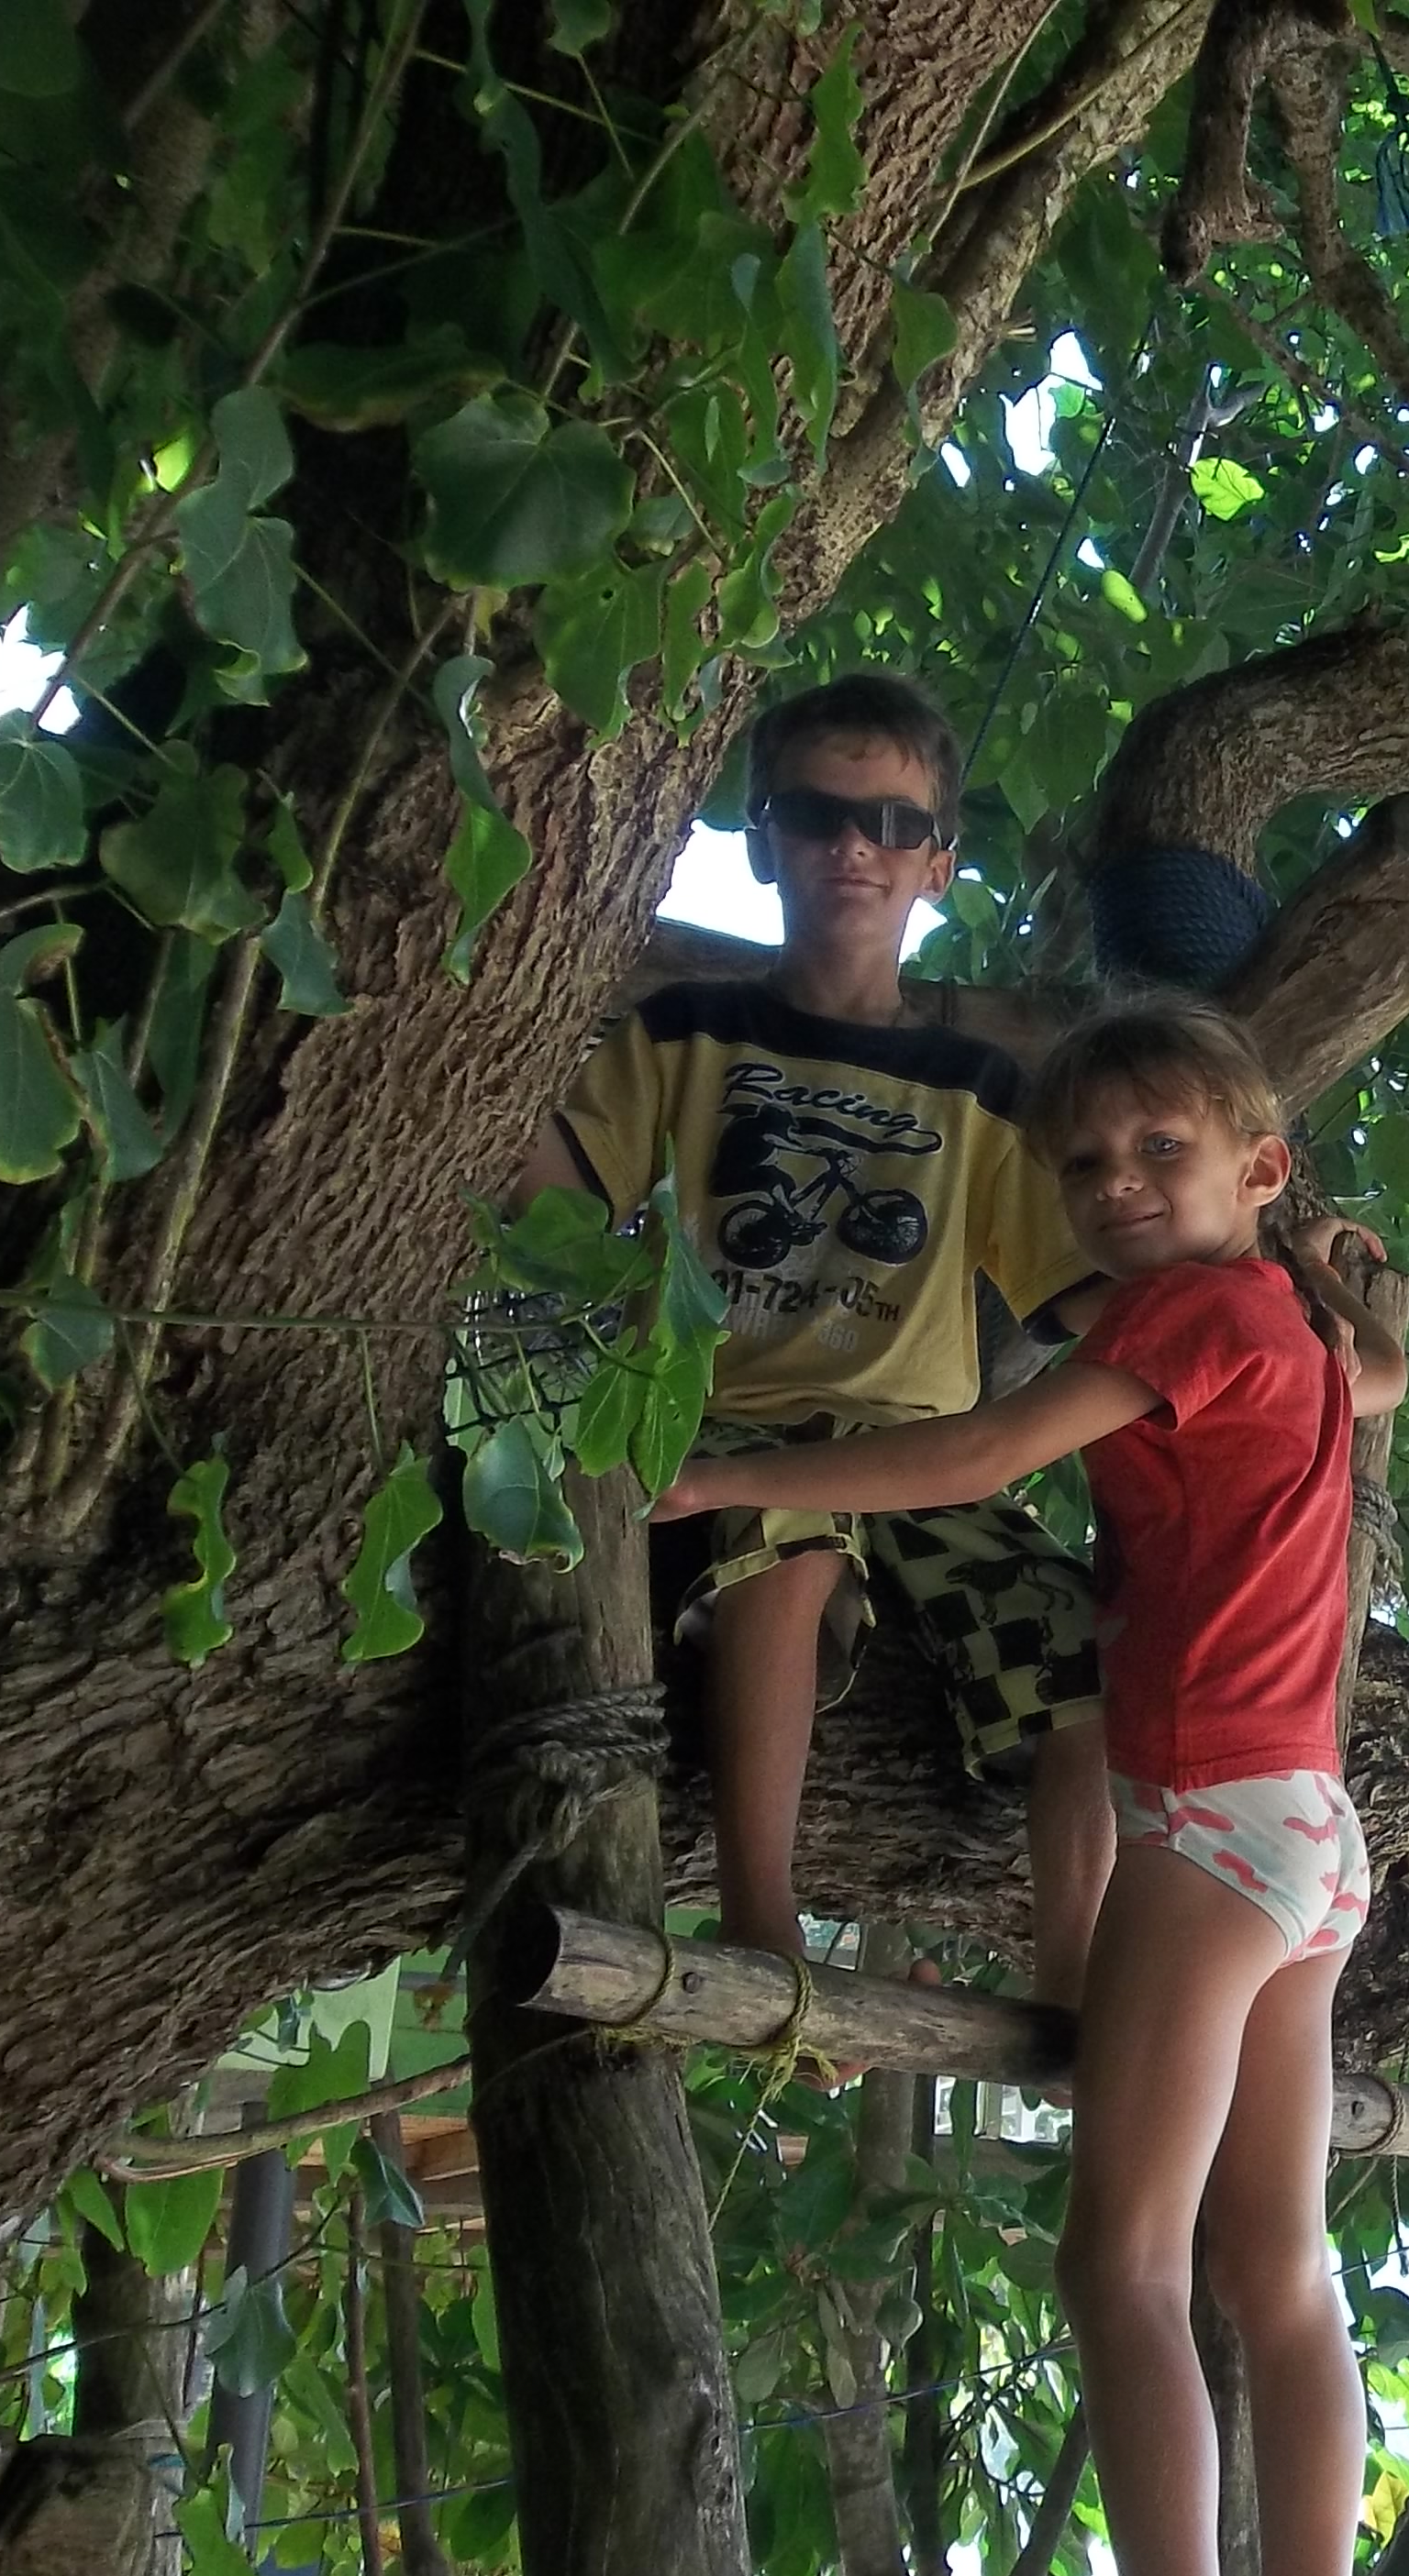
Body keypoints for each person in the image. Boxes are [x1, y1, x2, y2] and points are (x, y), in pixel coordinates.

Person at [658, 997, 1406, 2576]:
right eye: (1083, 1165)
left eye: (1161, 1150)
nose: (1115, 1184)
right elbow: (1375, 1379)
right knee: (1277, 2272)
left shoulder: (1183, 1317)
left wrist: (726, 1475)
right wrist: (1356, 1295)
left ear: (1259, 1164)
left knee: (1121, 2271)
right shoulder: (1290, 1326)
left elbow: (973, 1457)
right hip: (1311, 1833)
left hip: (1211, 1829)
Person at [508, 673, 1118, 2002]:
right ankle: (760, 1915)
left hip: (915, 1456)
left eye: (893, 823)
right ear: (761, 840)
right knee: (784, 1540)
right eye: (818, 814)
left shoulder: (981, 1093)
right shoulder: (684, 1035)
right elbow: (553, 1199)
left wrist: (1269, 1295)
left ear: (938, 864)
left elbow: (1096, 1299)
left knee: (1090, 1648)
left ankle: (1073, 1977)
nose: (855, 844)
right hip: (717, 1425)